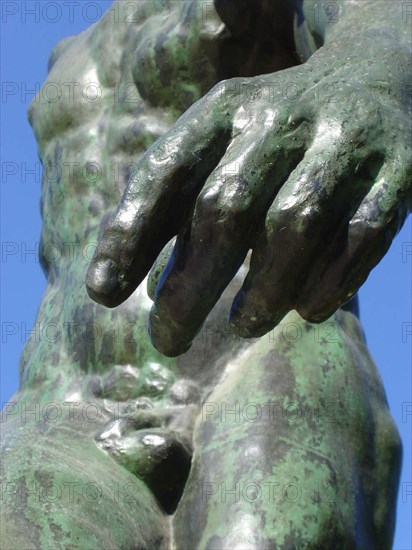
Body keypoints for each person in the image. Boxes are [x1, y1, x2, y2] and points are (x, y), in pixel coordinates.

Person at [1, 1, 410, 547]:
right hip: (67, 398)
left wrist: (375, 72)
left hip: (263, 358)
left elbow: (378, 17)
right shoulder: (65, 54)